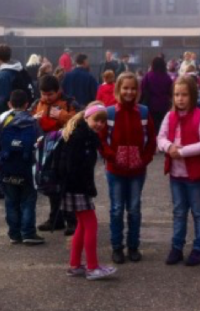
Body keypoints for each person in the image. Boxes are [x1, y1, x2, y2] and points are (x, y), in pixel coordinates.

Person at [157, 76, 200, 266]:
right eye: (177, 94)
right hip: (176, 175)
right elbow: (160, 137)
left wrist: (182, 151)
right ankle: (177, 247)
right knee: (178, 212)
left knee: (198, 212)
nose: (180, 98)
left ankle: (199, 249)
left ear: (192, 96)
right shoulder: (169, 116)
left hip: (196, 175)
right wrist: (169, 147)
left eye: (184, 94)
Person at [56, 102, 118, 280]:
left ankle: (75, 265)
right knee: (91, 224)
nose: (100, 124)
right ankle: (92, 267)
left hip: (73, 187)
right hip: (77, 187)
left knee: (82, 226)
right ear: (87, 117)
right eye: (97, 120)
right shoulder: (81, 137)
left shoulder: (83, 134)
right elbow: (74, 167)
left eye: (103, 121)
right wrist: (86, 188)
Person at [100, 72, 157, 264]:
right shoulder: (109, 113)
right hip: (115, 170)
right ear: (118, 89)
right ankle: (117, 247)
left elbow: (152, 139)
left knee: (134, 209)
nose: (129, 92)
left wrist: (144, 159)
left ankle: (133, 246)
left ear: (137, 91)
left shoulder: (143, 112)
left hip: (137, 171)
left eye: (133, 88)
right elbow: (101, 140)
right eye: (125, 88)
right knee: (116, 209)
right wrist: (112, 157)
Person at [0, 90, 44, 245]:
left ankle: (14, 234)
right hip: (27, 168)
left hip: (7, 167)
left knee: (11, 201)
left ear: (9, 104)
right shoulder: (33, 121)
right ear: (27, 104)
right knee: (28, 200)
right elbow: (40, 143)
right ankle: (28, 233)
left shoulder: (3, 120)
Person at [30, 75, 80, 234]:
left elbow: (80, 121)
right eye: (43, 94)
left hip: (65, 150)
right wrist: (34, 119)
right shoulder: (37, 104)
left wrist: (62, 116)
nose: (46, 97)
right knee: (51, 184)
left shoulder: (69, 102)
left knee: (67, 185)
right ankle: (55, 219)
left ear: (58, 91)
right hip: (45, 150)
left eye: (50, 94)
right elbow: (27, 119)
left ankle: (72, 220)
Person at [0, 44, 26, 120]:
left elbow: (3, 98)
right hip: (18, 111)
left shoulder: (4, 75)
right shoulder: (19, 70)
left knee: (7, 127)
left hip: (8, 114)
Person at [140, 56, 174, 132]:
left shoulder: (148, 76)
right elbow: (171, 91)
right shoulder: (167, 77)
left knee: (152, 126)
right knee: (162, 126)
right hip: (164, 105)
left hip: (151, 105)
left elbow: (142, 89)